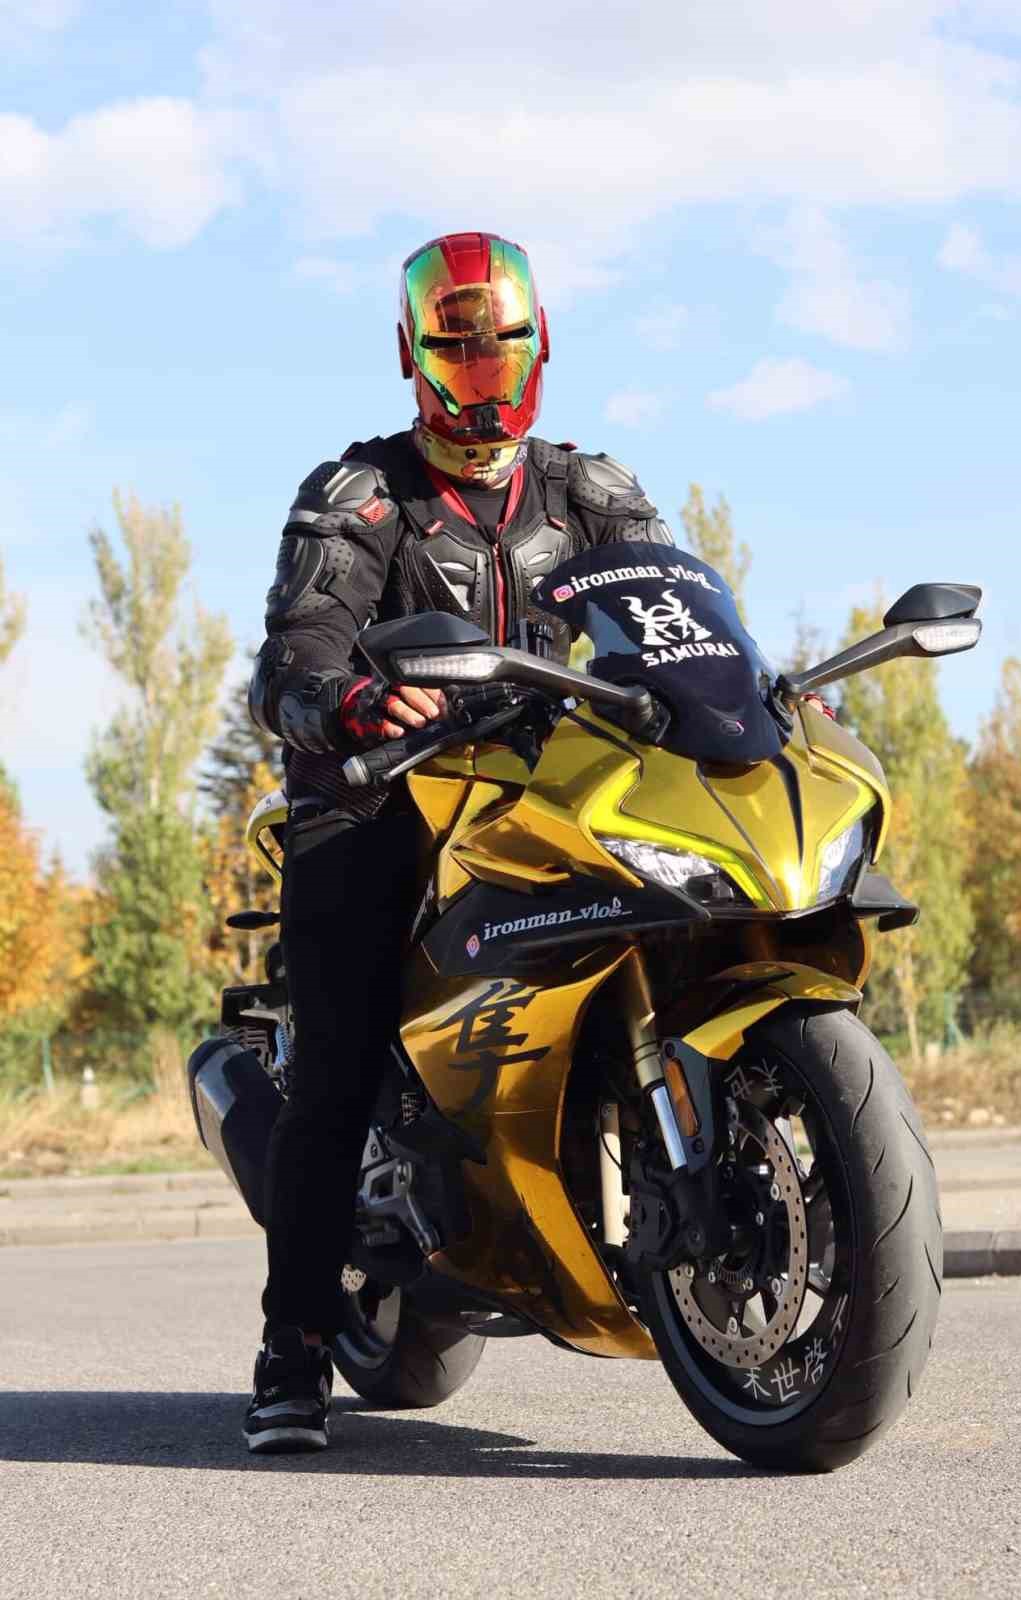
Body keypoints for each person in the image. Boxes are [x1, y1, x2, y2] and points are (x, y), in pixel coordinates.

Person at [241, 231, 675, 1453]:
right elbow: (294, 649)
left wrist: (727, 685)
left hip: (536, 793)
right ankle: (292, 1347)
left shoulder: (591, 493)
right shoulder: (363, 495)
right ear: (413, 354)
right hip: (380, 798)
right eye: (459, 349)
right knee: (337, 1064)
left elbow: (665, 611)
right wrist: (345, 698)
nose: (484, 374)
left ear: (541, 345)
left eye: (503, 346)